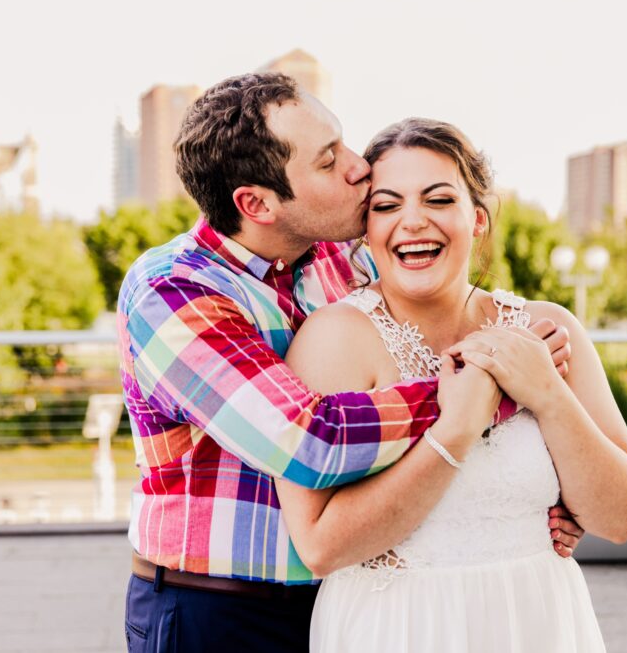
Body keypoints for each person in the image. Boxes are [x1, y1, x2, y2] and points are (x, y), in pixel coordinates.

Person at [117, 72, 583, 652]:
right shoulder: (173, 294)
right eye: (327, 160)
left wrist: (535, 488)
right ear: (256, 203)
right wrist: (498, 381)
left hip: (349, 597)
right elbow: (313, 440)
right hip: (220, 610)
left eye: (343, 142)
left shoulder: (339, 257)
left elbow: (434, 316)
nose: (359, 167)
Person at [275, 118, 627, 652]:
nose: (413, 221)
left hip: (537, 622)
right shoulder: (335, 340)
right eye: (386, 206)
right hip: (402, 629)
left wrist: (548, 394)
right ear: (367, 229)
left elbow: (621, 517)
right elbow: (320, 547)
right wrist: (456, 431)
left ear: (476, 218)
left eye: (438, 199)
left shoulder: (549, 328)